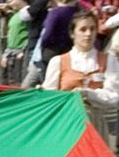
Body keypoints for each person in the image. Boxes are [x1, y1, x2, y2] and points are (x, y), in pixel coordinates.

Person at [41, 10, 118, 147]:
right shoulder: (58, 62)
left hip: (96, 126)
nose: (88, 34)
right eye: (83, 29)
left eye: (92, 29)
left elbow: (114, 98)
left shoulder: (109, 60)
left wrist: (88, 94)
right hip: (66, 126)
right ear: (72, 33)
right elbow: (49, 100)